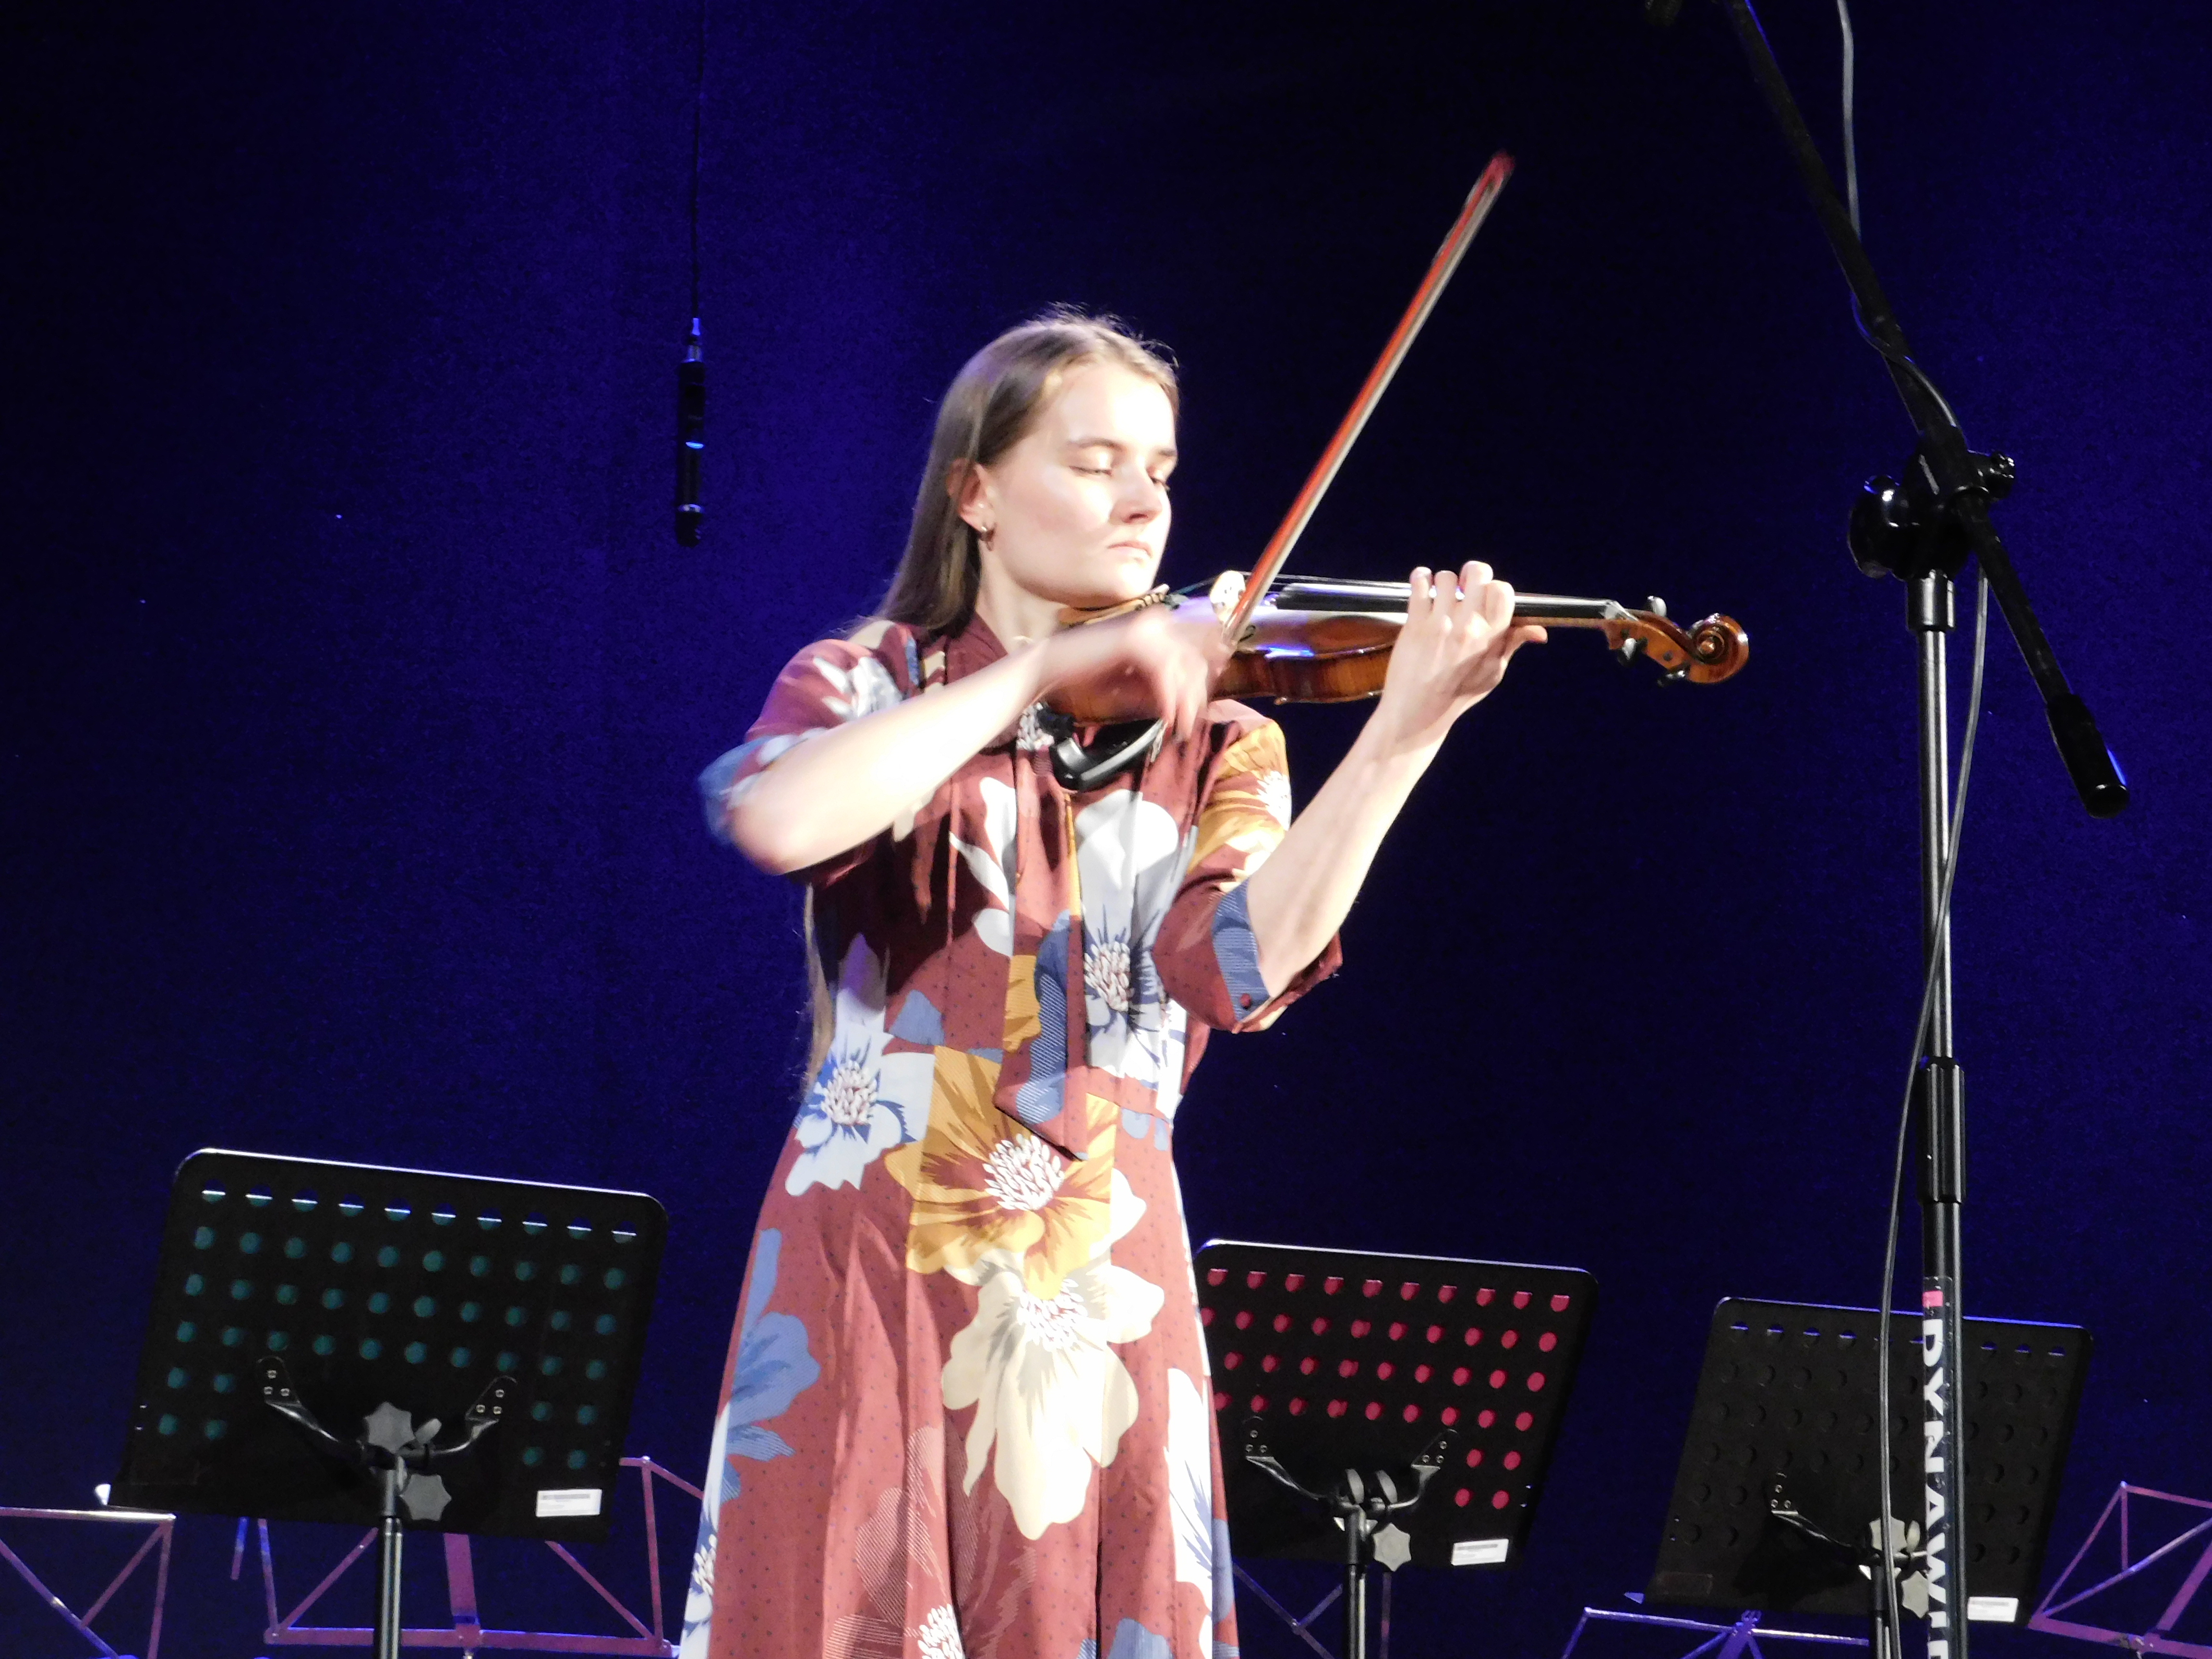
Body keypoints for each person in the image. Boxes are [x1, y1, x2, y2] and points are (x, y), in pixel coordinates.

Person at [681, 311, 1544, 1659]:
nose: (1144, 500)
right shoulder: (870, 680)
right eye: (1095, 463)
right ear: (976, 493)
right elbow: (780, 821)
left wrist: (1405, 733)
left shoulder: (1222, 738)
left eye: (1161, 469)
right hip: (872, 1263)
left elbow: (1237, 971)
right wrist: (1041, 667)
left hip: (1099, 1266)